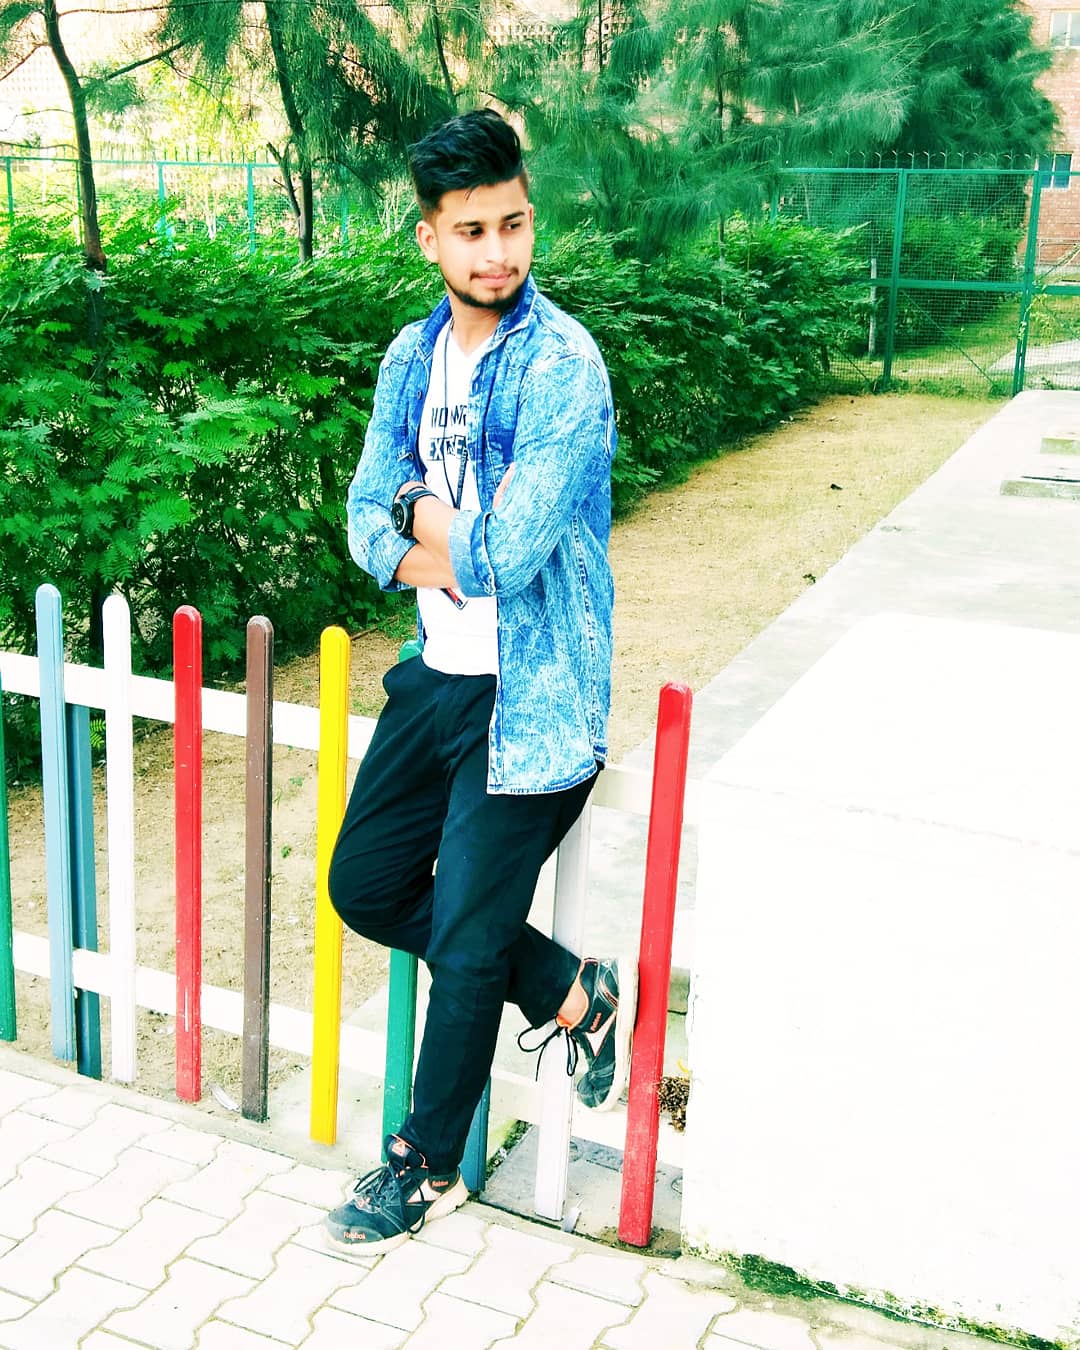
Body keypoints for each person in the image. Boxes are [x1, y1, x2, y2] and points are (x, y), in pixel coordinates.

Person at [324, 108, 633, 1257]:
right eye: (470, 231)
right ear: (430, 239)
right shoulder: (410, 361)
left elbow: (504, 555)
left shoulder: (564, 368)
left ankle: (426, 1167)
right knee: (364, 885)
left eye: (512, 225)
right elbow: (360, 522)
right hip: (440, 676)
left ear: (528, 219)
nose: (496, 252)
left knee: (462, 943)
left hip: (534, 697)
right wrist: (420, 526)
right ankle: (571, 989)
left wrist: (416, 515)